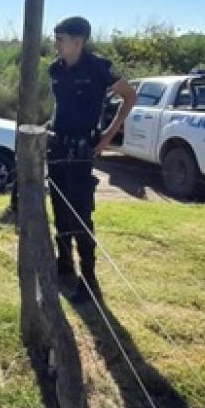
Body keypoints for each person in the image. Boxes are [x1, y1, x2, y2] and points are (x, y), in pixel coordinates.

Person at [47, 17, 137, 303]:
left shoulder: (98, 67)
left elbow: (129, 96)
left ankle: (89, 280)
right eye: (56, 38)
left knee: (80, 214)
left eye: (61, 38)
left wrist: (109, 135)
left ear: (78, 41)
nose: (56, 43)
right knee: (59, 208)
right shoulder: (55, 69)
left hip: (83, 150)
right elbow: (60, 105)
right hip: (58, 148)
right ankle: (64, 265)